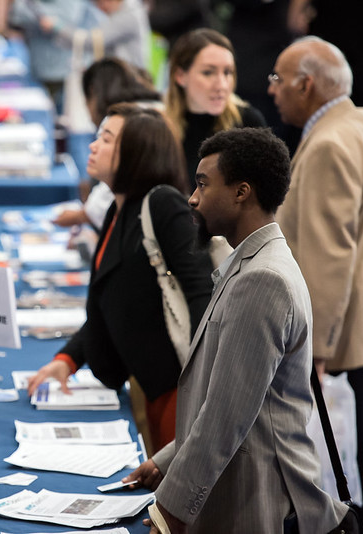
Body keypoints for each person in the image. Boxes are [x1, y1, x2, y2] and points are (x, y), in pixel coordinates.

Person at [124, 127, 355, 533]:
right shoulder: (249, 263)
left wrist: (171, 513)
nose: (192, 198)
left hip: (259, 502)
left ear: (241, 192)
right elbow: (239, 402)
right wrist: (165, 462)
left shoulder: (263, 279)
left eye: (202, 184)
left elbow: (227, 415)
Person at [269, 36, 363, 534]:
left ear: (306, 85)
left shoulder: (329, 143)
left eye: (278, 80)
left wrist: (318, 348)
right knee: (360, 459)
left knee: (338, 466)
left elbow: (331, 256)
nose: (272, 90)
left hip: (340, 335)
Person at [28, 104, 213, 450]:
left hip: (181, 388)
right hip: (150, 383)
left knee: (175, 494)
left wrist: (204, 383)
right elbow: (111, 301)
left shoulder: (163, 204)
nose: (94, 146)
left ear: (136, 152)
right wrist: (68, 359)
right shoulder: (119, 208)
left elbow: (201, 290)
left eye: (106, 139)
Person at [53, 57, 161, 230]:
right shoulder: (153, 109)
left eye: (105, 139)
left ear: (93, 92)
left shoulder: (125, 120)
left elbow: (108, 195)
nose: (93, 146)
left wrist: (79, 216)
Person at [165, 28, 266, 192]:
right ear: (180, 76)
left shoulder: (248, 123)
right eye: (208, 72)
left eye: (228, 73)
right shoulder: (161, 126)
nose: (221, 85)